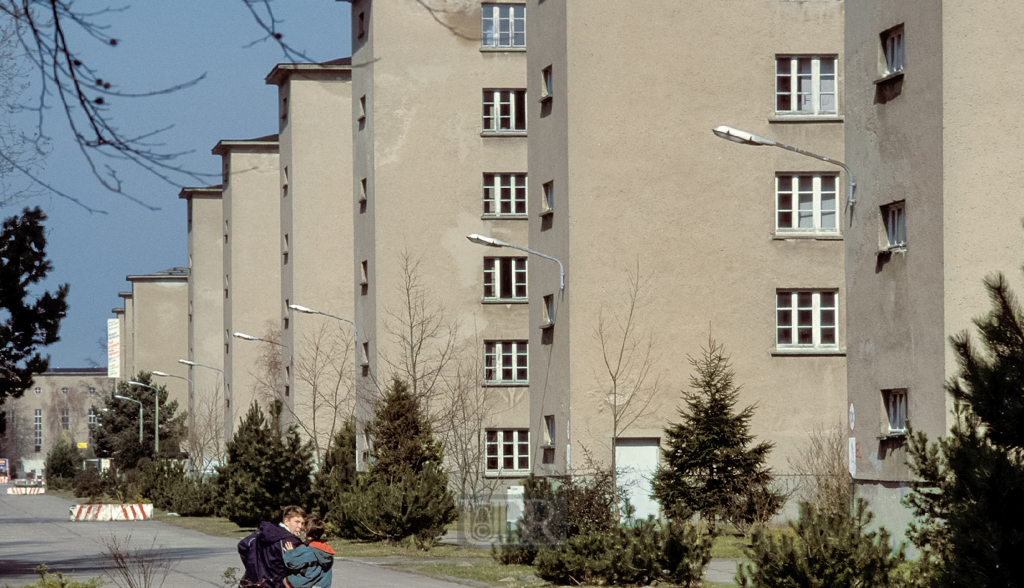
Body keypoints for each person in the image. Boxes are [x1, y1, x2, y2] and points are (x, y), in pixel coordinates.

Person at [238, 505, 306, 588]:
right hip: (275, 585)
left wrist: (253, 569)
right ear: (286, 521)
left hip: (251, 583)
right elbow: (298, 568)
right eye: (297, 522)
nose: (300, 526)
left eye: (302, 523)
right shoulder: (291, 542)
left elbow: (242, 545)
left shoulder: (261, 533)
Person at [283, 515, 334, 588]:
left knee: (285, 581)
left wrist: (289, 552)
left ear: (306, 530)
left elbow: (292, 563)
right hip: (321, 585)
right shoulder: (325, 549)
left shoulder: (307, 549)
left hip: (308, 585)